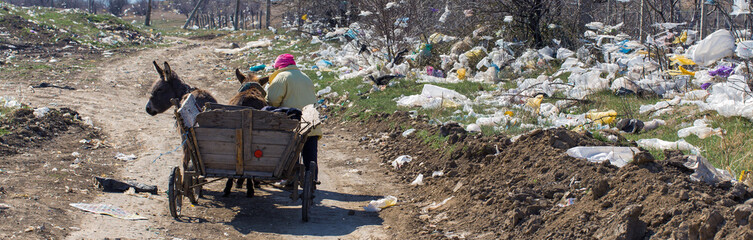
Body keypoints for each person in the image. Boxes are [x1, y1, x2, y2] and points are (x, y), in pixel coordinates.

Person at [266, 54, 322, 182]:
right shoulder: (305, 77)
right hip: (311, 122)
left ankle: (289, 178)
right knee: (310, 155)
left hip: (292, 123)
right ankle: (312, 179)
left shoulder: (282, 77)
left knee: (291, 153)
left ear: (279, 67)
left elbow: (273, 101)